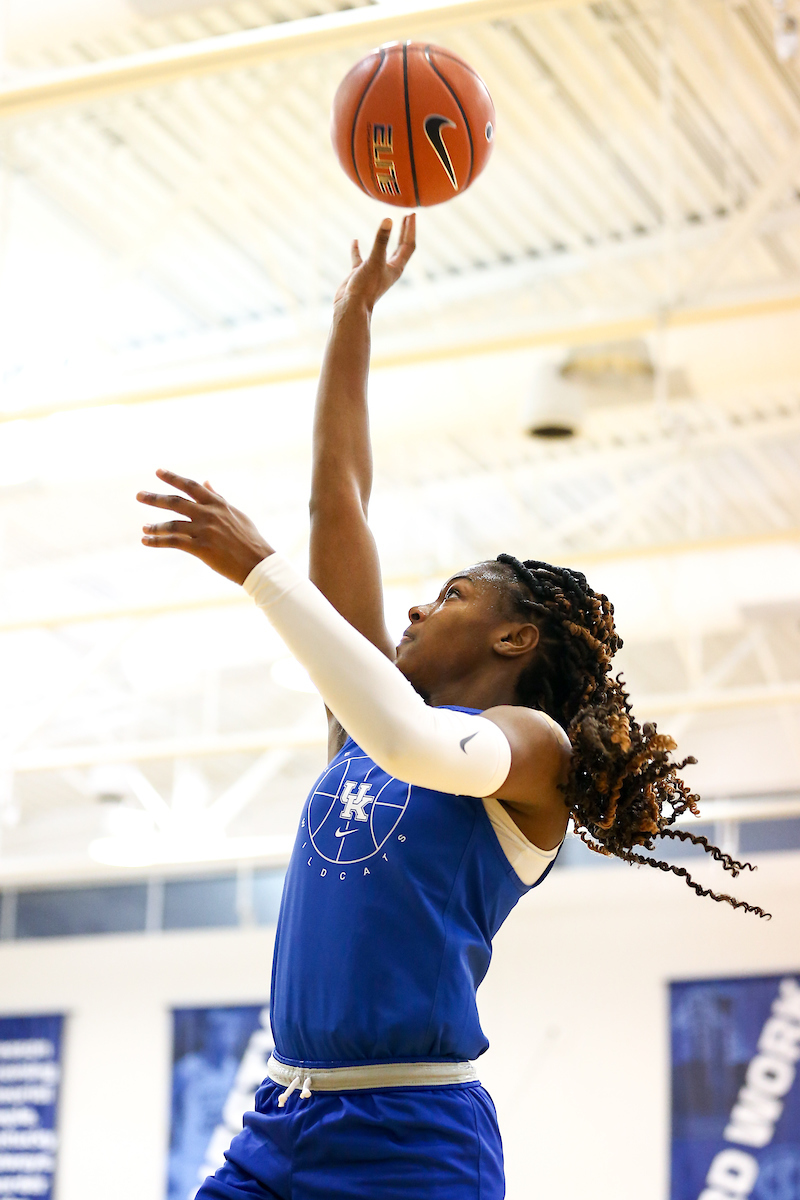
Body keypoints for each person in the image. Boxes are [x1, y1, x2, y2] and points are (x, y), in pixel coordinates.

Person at [137, 216, 766, 1200]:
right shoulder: (362, 719)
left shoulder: (531, 749)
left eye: (453, 596)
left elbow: (416, 742)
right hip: (278, 1126)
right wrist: (351, 318)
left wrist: (258, 574)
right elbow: (336, 501)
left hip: (410, 1139)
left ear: (514, 639)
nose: (421, 605)